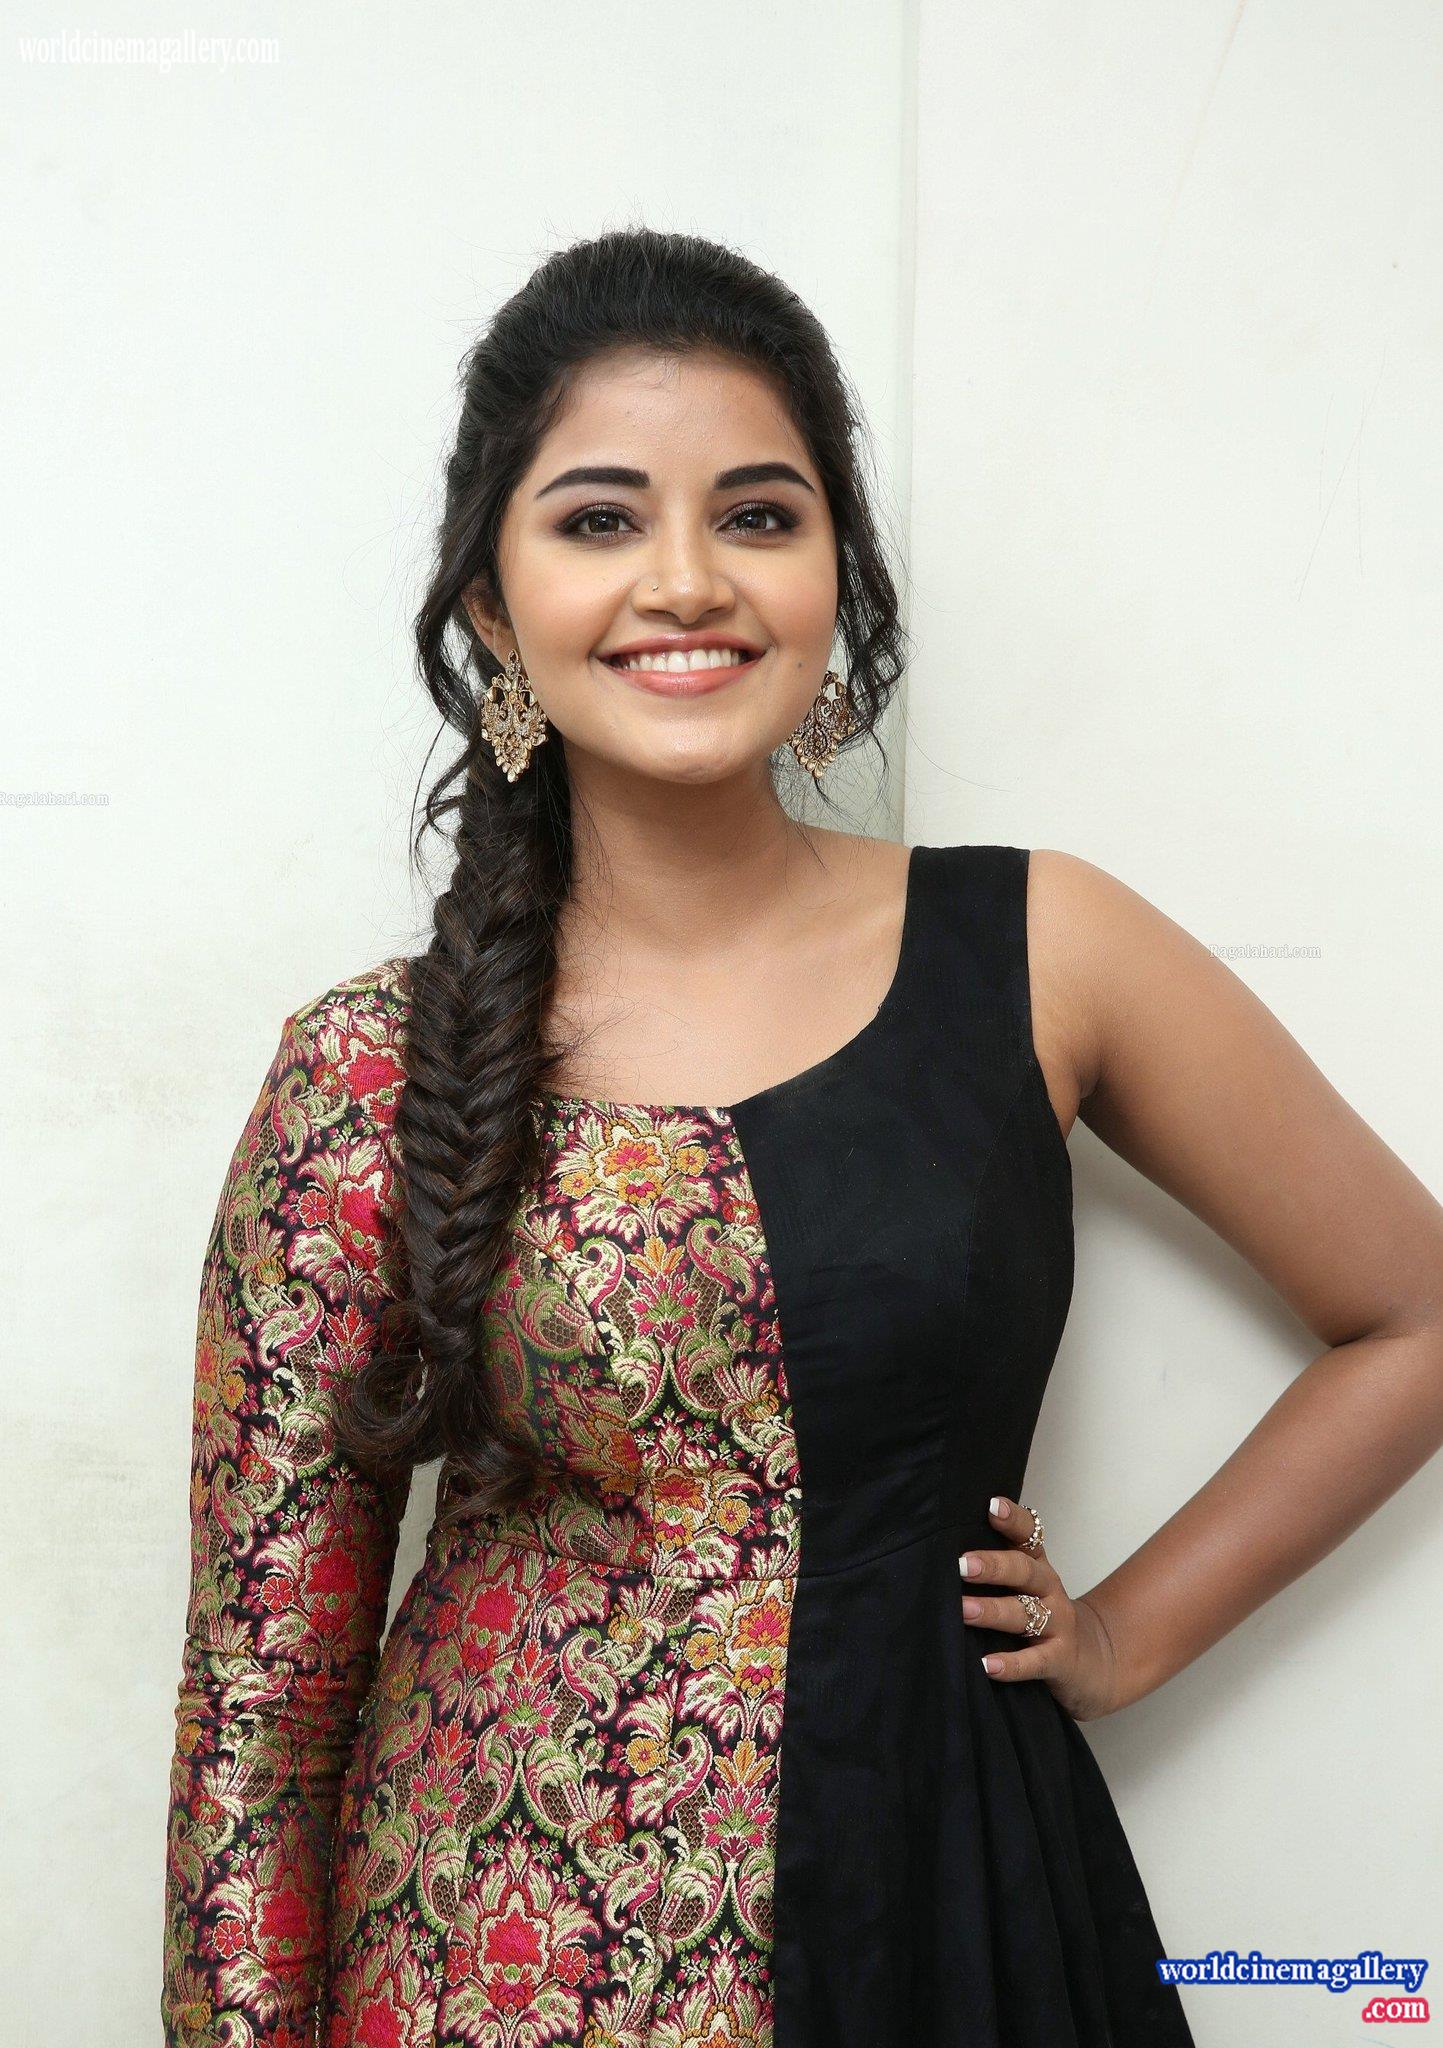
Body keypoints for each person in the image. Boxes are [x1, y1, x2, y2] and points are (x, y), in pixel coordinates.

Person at [161, 227, 1443, 2048]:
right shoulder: (373, 1066)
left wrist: (1125, 1638)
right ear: (491, 607)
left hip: (948, 1914)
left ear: (839, 572)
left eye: (758, 515)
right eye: (599, 519)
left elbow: (1415, 1313)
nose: (685, 579)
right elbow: (262, 1709)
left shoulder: (1041, 952)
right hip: (486, 1978)